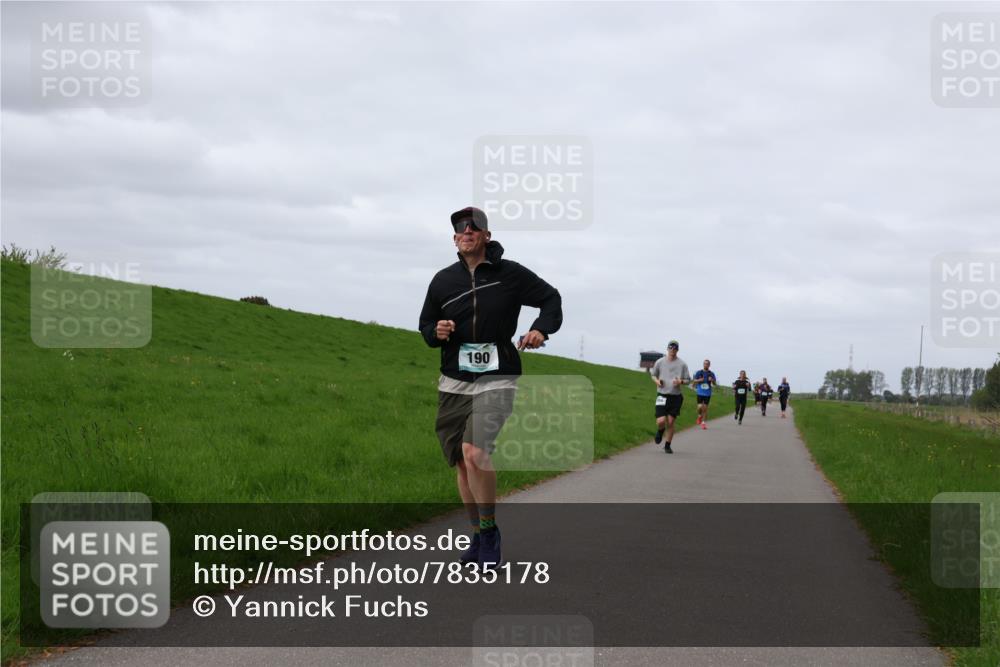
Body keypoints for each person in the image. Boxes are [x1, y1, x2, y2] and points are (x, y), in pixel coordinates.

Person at [419, 206, 562, 569]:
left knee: (474, 452)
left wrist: (540, 329)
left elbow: (551, 299)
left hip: (497, 376)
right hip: (454, 381)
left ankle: (489, 533)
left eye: (474, 227)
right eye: (460, 228)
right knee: (461, 463)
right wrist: (436, 331)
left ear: (486, 235)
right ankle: (478, 534)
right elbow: (426, 326)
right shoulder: (442, 281)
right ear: (454, 238)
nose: (466, 231)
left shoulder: (509, 274)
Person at [650, 340, 691, 453]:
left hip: (675, 396)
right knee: (661, 421)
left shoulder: (682, 364)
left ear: (677, 350)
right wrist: (657, 382)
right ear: (667, 349)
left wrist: (680, 382)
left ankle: (667, 445)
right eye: (671, 348)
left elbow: (688, 380)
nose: (672, 350)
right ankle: (660, 430)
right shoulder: (659, 362)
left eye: (675, 348)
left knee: (671, 421)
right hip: (662, 395)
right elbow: (653, 375)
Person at [691, 359, 717, 430]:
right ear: (703, 364)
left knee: (705, 409)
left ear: (709, 365)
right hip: (700, 392)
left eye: (707, 364)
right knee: (699, 407)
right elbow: (694, 380)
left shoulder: (711, 374)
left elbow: (715, 384)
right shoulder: (699, 372)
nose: (706, 365)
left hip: (707, 393)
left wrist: (712, 380)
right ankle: (699, 416)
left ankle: (703, 423)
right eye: (705, 364)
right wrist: (699, 380)